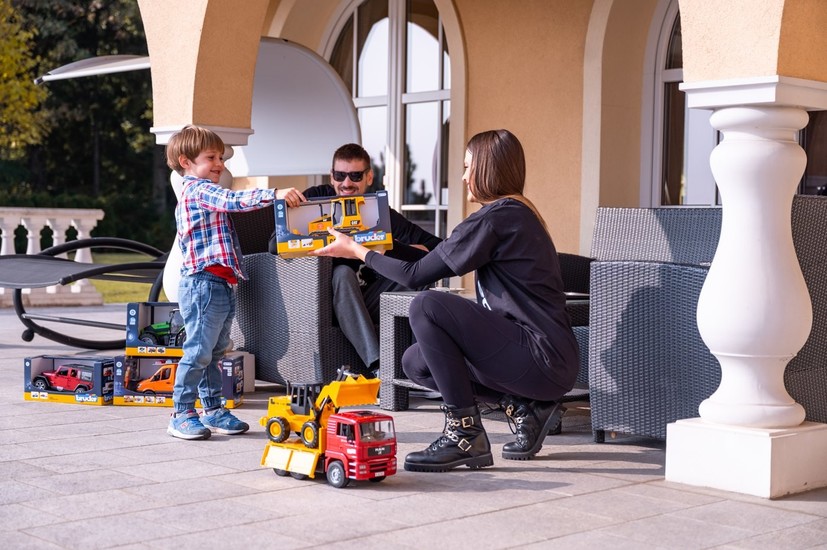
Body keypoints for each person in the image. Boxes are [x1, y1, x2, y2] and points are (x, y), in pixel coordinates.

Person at [312, 129, 579, 471]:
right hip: (544, 360)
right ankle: (526, 406)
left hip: (541, 356)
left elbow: (415, 275)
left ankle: (464, 435)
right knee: (416, 362)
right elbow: (434, 256)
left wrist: (358, 251)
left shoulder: (496, 219)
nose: (465, 176)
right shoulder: (514, 215)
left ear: (486, 169)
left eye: (468, 167)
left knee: (427, 305)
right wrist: (380, 248)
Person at [166, 125, 306, 440]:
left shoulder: (204, 189)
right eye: (211, 157)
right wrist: (275, 194)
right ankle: (181, 412)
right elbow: (233, 200)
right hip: (202, 285)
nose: (220, 164)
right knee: (198, 351)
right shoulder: (197, 189)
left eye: (222, 158)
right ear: (186, 161)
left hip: (220, 284)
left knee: (214, 353)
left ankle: (213, 409)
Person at [272, 143, 441, 377]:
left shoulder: (379, 211)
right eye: (340, 175)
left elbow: (436, 250)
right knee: (343, 273)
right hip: (322, 302)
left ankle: (423, 366)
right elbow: (274, 245)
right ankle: (379, 367)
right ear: (332, 176)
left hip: (370, 298)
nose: (347, 183)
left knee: (419, 276)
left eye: (355, 175)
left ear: (369, 177)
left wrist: (383, 244)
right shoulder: (314, 199)